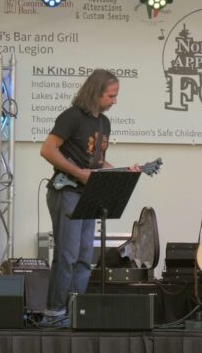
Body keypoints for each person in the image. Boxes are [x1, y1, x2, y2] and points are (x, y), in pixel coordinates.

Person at [39, 69, 137, 328]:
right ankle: (54, 312)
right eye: (111, 96)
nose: (114, 101)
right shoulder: (71, 117)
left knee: (84, 256)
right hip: (66, 191)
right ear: (95, 93)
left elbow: (97, 160)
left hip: (88, 195)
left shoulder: (104, 123)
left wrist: (122, 172)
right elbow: (47, 150)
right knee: (67, 254)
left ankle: (75, 310)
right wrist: (80, 174)